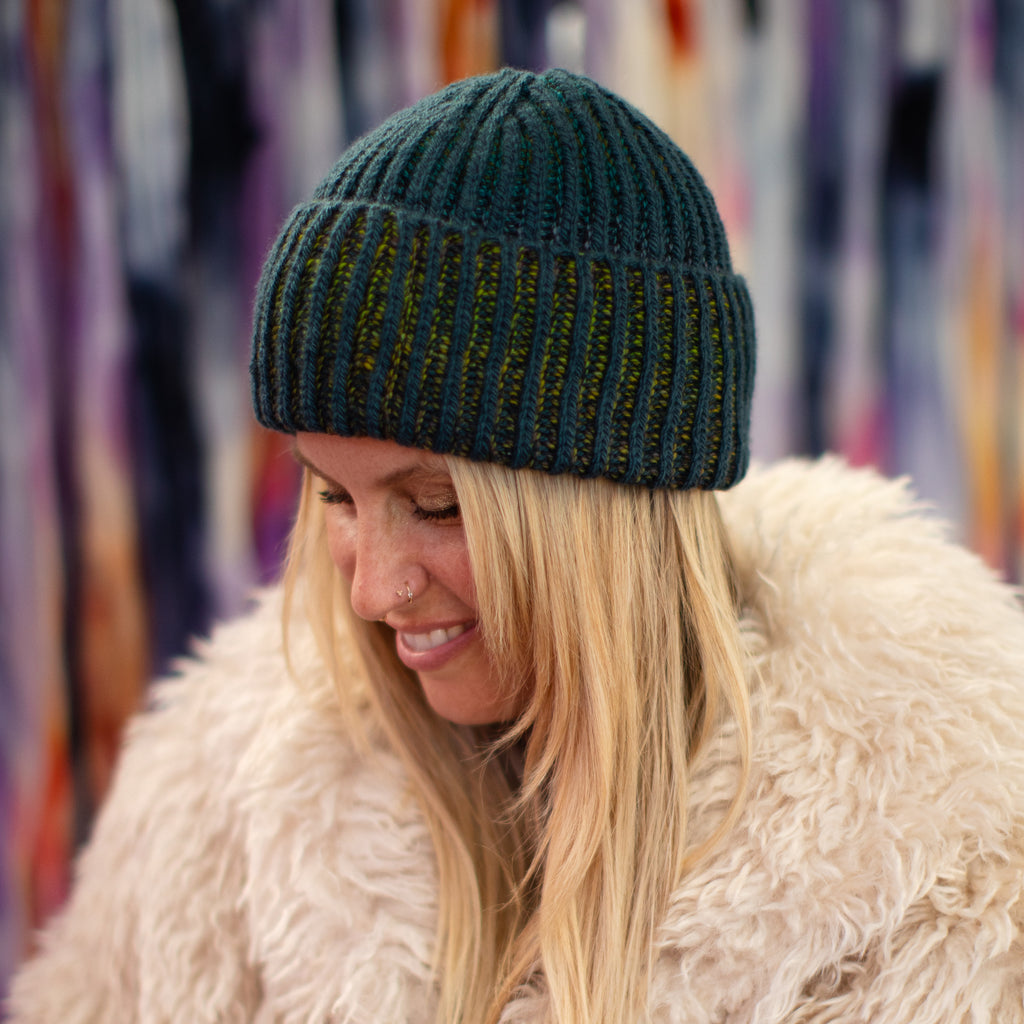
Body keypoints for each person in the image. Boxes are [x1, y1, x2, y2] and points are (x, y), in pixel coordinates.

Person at [8, 67, 1024, 1024]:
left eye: (436, 505)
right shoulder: (217, 811)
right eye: (333, 495)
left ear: (607, 515)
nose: (371, 591)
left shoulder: (947, 883)